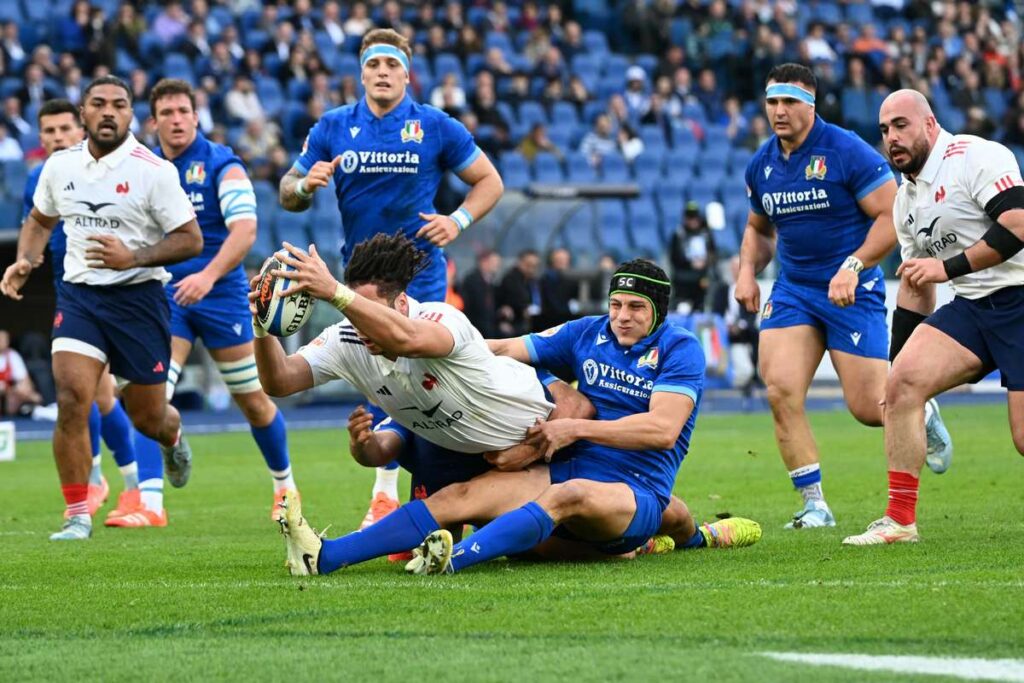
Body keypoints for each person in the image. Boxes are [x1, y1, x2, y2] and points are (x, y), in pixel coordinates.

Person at [276, 258, 761, 576]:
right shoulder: (587, 332)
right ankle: (326, 556)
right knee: (460, 497)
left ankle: (448, 562)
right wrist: (454, 351)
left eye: (636, 307)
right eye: (615, 304)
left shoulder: (679, 348)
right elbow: (505, 347)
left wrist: (574, 428)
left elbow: (662, 430)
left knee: (579, 501)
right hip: (568, 466)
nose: (622, 316)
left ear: (659, 311)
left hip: (633, 482)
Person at [278, 28, 504, 526]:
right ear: (361, 73)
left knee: (423, 372)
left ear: (407, 73)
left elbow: (490, 181)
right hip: (359, 282)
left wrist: (457, 220)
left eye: (392, 65)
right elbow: (286, 191)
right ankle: (394, 494)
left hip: (418, 277)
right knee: (377, 371)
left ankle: (419, 487)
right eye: (374, 64)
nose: (383, 73)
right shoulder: (333, 127)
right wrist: (303, 185)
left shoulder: (435, 126)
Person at [735, 63, 952, 530]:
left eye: (789, 101)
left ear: (811, 104)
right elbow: (758, 228)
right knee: (780, 390)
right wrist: (747, 273)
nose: (779, 111)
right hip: (793, 289)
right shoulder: (762, 164)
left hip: (852, 290)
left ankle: (924, 410)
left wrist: (852, 266)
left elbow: (889, 219)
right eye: (772, 101)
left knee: (868, 406)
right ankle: (815, 505)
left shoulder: (847, 151)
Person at [0, 76, 201, 541]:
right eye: (98, 103)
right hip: (80, 297)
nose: (109, 111)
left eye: (119, 104)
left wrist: (133, 257)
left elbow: (190, 239)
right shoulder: (60, 166)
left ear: (131, 115)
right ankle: (76, 514)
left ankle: (173, 437)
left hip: (139, 300)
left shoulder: (154, 170)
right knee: (72, 397)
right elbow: (39, 219)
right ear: (83, 114)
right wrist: (25, 261)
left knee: (148, 417)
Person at [844, 90, 1024, 545]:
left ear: (929, 124)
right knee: (902, 385)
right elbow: (915, 283)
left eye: (901, 125)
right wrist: (896, 372)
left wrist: (945, 268)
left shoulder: (976, 155)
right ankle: (900, 521)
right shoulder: (905, 202)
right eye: (884, 130)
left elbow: (1019, 224)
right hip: (974, 309)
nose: (891, 138)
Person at [124, 78, 296, 527]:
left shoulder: (223, 164)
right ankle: (151, 502)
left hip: (219, 294)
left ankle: (285, 488)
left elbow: (245, 231)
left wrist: (207, 275)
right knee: (150, 395)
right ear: (153, 121)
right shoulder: (140, 165)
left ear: (196, 117)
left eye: (183, 111)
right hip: (164, 295)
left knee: (254, 402)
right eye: (167, 113)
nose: (176, 120)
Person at [22, 98, 141, 522]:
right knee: (84, 393)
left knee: (105, 396)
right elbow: (34, 226)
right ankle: (114, 484)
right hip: (68, 294)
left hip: (115, 295)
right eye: (49, 132)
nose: (57, 138)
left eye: (64, 130)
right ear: (39, 138)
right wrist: (26, 258)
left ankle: (121, 482)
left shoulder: (112, 171)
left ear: (82, 129)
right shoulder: (39, 178)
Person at [669, 201, 717, 313]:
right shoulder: (679, 234)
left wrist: (705, 262)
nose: (692, 220)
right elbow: (674, 257)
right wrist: (691, 263)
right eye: (689, 217)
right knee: (681, 308)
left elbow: (713, 253)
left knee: (700, 309)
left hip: (701, 278)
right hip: (683, 279)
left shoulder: (706, 234)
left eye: (694, 217)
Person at [0, 330, 42, 416]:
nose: (3, 342)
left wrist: (25, 390)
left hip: (7, 391)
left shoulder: (12, 355)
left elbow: (24, 379)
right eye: (1, 339)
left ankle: (34, 410)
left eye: (5, 340)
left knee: (19, 392)